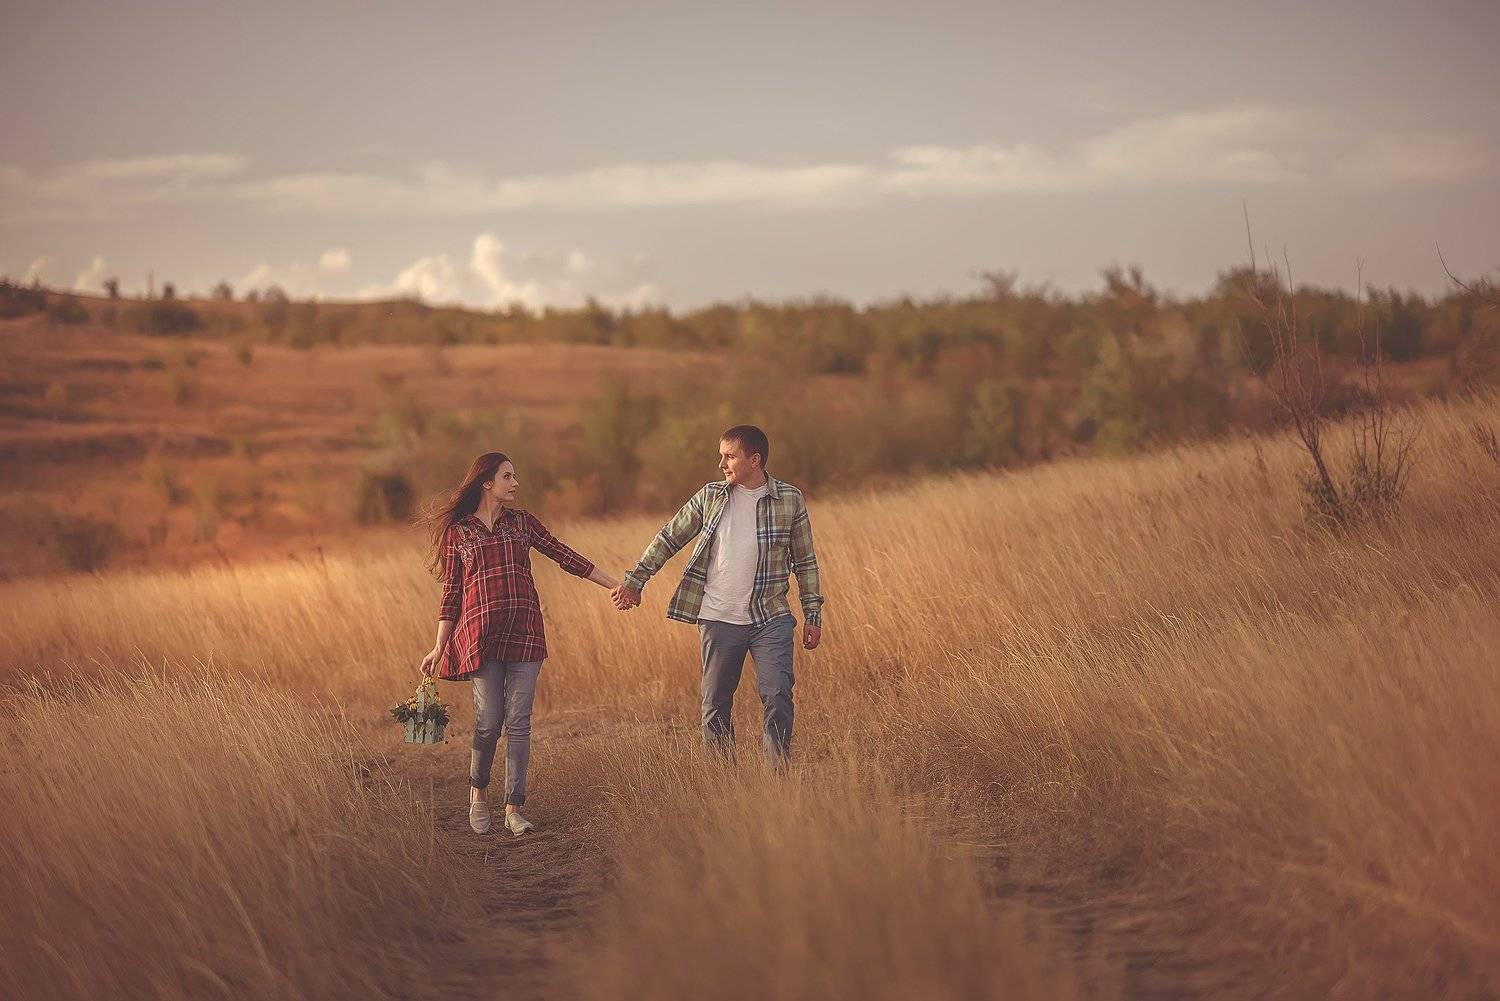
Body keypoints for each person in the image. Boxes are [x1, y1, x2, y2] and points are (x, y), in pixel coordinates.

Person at [418, 451, 620, 836]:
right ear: (487, 483)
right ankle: (478, 793)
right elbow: (452, 594)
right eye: (508, 477)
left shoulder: (522, 523)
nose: (516, 483)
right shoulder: (459, 532)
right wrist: (438, 646)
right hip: (481, 637)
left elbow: (564, 555)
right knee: (489, 721)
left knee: (519, 722)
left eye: (515, 476)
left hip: (526, 633)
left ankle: (514, 808)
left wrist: (614, 585)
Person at [611, 425, 824, 766]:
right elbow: (669, 538)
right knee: (715, 702)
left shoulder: (790, 499)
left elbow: (805, 561)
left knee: (778, 694)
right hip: (718, 618)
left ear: (754, 460)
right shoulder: (710, 496)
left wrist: (812, 614)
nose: (722, 464)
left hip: (770, 617)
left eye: (730, 456)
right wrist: (636, 581)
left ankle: (778, 775)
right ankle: (723, 777)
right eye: (721, 456)